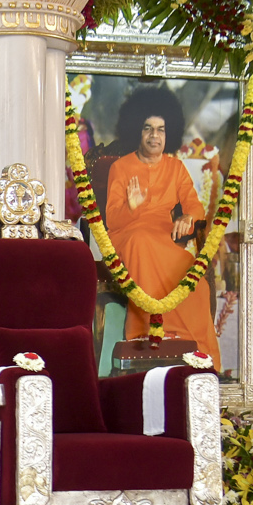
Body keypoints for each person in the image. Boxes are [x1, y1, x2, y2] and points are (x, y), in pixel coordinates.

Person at [101, 86, 221, 365]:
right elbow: (111, 220)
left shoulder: (175, 167)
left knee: (196, 281)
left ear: (169, 133)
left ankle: (194, 348)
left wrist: (186, 217)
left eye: (161, 129)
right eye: (148, 128)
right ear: (137, 131)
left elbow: (194, 206)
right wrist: (131, 207)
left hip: (163, 237)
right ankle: (149, 336)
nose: (155, 136)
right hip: (128, 235)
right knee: (142, 240)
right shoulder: (120, 167)